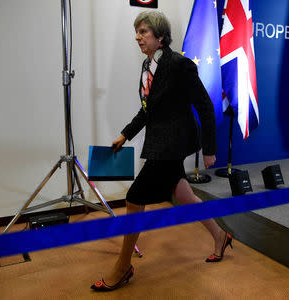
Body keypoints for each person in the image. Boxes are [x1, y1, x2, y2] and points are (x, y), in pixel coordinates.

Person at [91, 11, 233, 292]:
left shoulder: (180, 65)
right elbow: (148, 110)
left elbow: (205, 105)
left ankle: (122, 267)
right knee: (184, 194)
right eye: (137, 32)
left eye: (143, 31)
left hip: (173, 144)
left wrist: (209, 149)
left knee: (134, 197)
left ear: (160, 36)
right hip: (158, 142)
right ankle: (220, 236)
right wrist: (125, 134)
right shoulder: (147, 66)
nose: (137, 37)